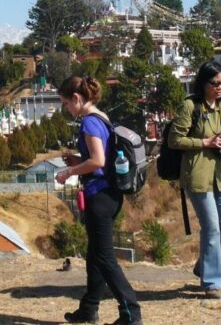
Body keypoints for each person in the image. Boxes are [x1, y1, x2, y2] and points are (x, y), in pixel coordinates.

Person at [54, 76, 142, 325]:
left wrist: (68, 172)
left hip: (99, 197)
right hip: (110, 194)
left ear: (77, 98)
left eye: (66, 104)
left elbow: (98, 161)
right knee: (95, 254)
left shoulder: (88, 123)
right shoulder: (101, 118)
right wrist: (77, 162)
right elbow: (96, 157)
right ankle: (89, 308)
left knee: (104, 258)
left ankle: (131, 313)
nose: (67, 109)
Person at [168, 61, 221, 299]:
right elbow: (175, 140)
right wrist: (205, 142)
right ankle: (212, 281)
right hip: (197, 175)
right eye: (215, 83)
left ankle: (205, 265)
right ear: (204, 83)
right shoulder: (190, 107)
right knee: (212, 227)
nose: (220, 88)